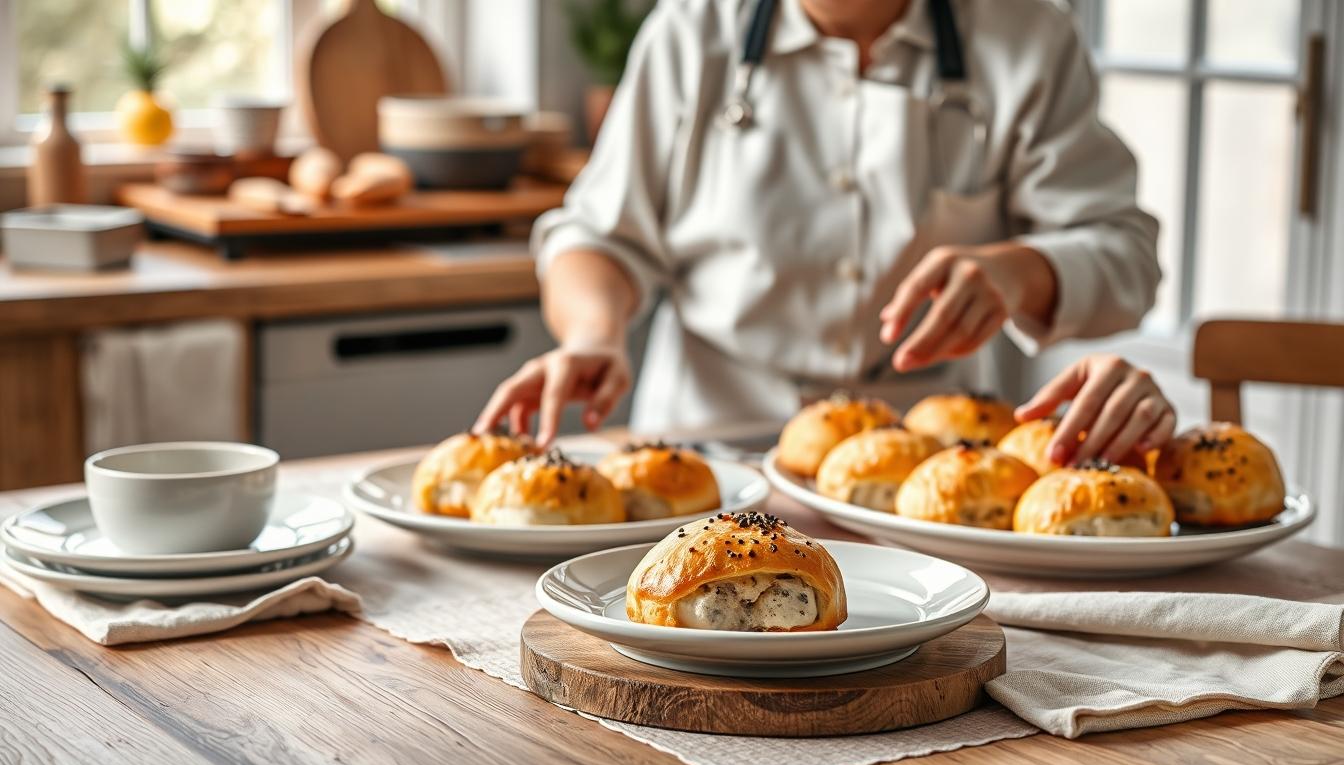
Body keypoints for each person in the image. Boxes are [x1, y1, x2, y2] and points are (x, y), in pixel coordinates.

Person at [476, 0, 1175, 465]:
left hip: (932, 465)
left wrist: (1020, 270)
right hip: (706, 448)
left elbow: (1124, 252)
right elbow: (596, 236)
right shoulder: (692, 31)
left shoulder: (1025, 35)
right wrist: (595, 334)